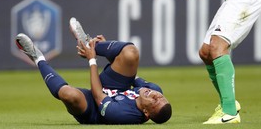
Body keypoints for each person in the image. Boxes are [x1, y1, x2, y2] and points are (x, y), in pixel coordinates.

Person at [15, 17, 172, 125]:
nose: (157, 95)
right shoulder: (153, 90)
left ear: (146, 113)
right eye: (161, 97)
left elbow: (98, 95)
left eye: (155, 101)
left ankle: (37, 58)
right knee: (131, 54)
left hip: (94, 108)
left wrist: (92, 60)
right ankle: (90, 44)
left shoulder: (123, 114)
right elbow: (131, 75)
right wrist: (110, 55)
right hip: (117, 87)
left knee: (68, 95)